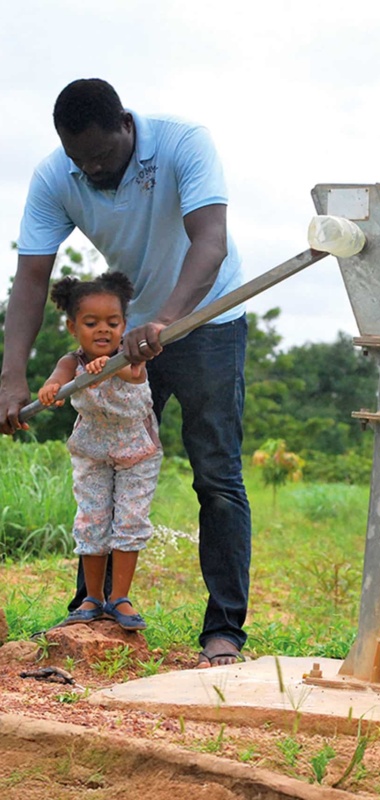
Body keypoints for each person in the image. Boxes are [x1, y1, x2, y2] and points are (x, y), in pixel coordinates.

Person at [0, 78, 252, 668]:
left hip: (208, 319)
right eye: (78, 160)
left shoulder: (182, 143)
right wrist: (12, 376)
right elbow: (33, 277)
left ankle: (223, 631)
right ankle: (97, 605)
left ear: (125, 127)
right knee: (105, 464)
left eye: (102, 157)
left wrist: (165, 320)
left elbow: (209, 242)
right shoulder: (54, 176)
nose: (92, 170)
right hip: (122, 338)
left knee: (216, 474)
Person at [39, 272, 162, 631]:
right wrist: (51, 388)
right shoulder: (72, 361)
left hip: (136, 451)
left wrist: (107, 368)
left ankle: (119, 598)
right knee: (91, 520)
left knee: (129, 521)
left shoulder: (128, 354)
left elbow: (133, 375)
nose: (103, 330)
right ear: (72, 327)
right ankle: (92, 598)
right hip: (92, 449)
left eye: (113, 322)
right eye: (91, 323)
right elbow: (58, 380)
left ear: (125, 324)